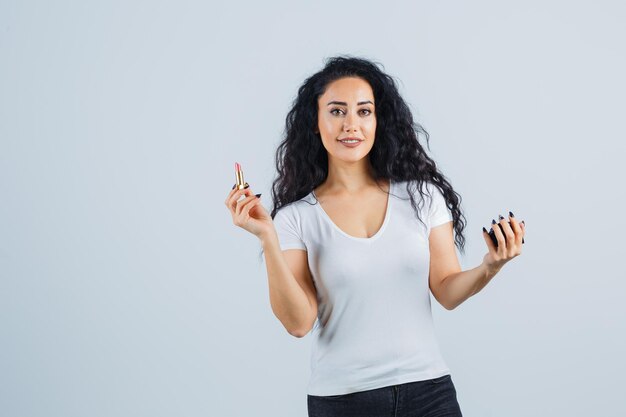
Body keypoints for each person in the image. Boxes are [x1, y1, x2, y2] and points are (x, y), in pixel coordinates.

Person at [225, 56, 525, 417]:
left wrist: (490, 266)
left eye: (364, 111)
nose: (351, 124)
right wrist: (268, 239)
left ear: (378, 121)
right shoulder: (296, 218)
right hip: (343, 400)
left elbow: (446, 290)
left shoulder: (422, 197)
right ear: (315, 123)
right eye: (337, 111)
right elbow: (298, 322)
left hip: (429, 394)